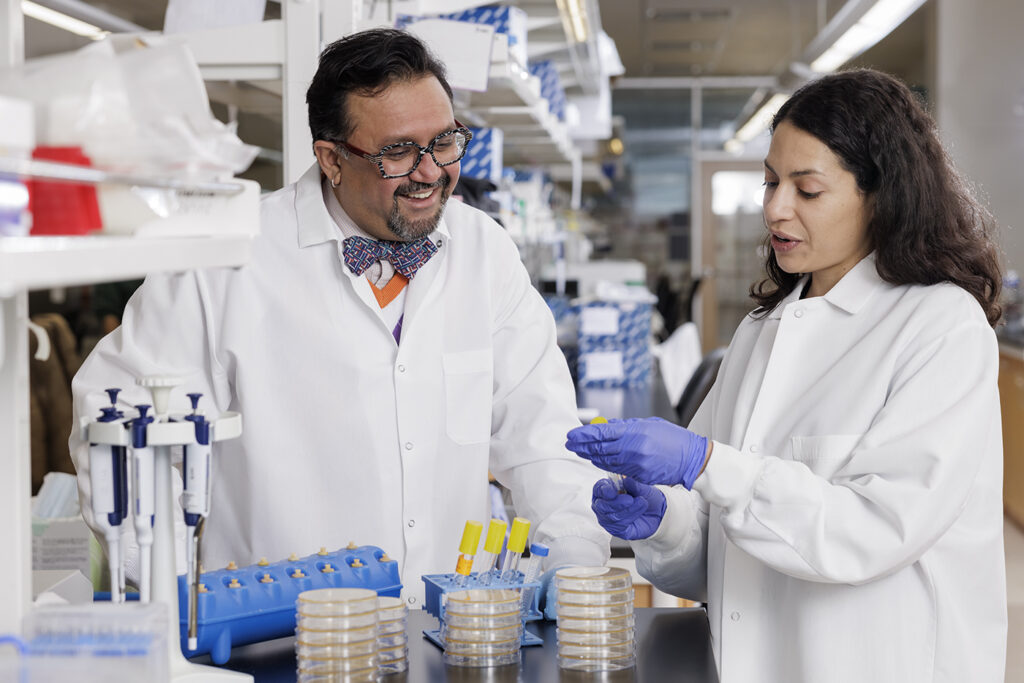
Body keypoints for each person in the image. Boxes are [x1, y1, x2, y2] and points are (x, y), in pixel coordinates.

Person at [70, 28, 610, 608]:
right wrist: (176, 588)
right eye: (399, 152)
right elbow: (120, 425)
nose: (431, 173)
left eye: (446, 141)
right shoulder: (224, 259)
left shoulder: (485, 251)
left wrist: (573, 558)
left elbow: (544, 438)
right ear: (330, 158)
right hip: (279, 641)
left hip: (446, 636)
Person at [565, 69, 1006, 682]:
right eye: (771, 182)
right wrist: (664, 522)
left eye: (808, 189)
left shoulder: (939, 326)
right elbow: (729, 553)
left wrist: (706, 464)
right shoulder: (762, 329)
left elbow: (872, 532)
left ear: (880, 194)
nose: (775, 207)